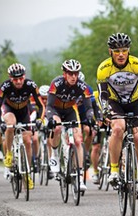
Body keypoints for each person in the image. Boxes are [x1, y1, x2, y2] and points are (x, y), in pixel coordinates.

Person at [96, 32, 138, 196]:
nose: (120, 54)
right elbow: (103, 94)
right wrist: (104, 109)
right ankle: (114, 169)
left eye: (124, 50)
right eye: (116, 51)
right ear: (110, 51)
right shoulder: (104, 68)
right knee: (118, 128)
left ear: (129, 50)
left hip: (135, 102)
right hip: (115, 103)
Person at [0, 63, 45, 189]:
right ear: (10, 78)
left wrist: (40, 119)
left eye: (21, 78)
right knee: (11, 124)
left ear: (24, 76)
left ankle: (27, 170)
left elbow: (41, 105)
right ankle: (9, 154)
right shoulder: (5, 86)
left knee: (28, 140)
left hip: (23, 111)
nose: (18, 81)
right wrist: (0, 122)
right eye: (15, 79)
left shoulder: (31, 85)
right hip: (9, 109)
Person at [46, 59, 94, 191]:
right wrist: (50, 118)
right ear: (64, 73)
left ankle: (79, 176)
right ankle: (55, 155)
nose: (74, 77)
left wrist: (90, 118)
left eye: (76, 73)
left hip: (70, 110)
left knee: (78, 140)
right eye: (70, 73)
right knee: (57, 127)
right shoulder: (56, 83)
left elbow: (89, 107)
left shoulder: (82, 86)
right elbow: (49, 105)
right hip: (55, 109)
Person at [77, 72, 102, 184]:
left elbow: (94, 106)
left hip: (84, 113)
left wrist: (98, 118)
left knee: (88, 130)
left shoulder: (88, 89)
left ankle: (86, 152)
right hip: (71, 113)